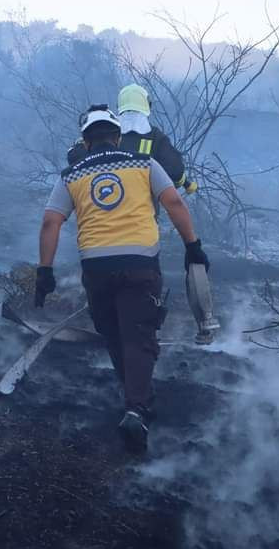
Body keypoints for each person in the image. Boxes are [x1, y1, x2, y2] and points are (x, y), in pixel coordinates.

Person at [36, 104, 208, 452]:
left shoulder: (71, 175)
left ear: (85, 143)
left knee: (113, 332)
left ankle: (135, 398)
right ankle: (137, 407)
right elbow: (174, 202)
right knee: (139, 335)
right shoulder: (145, 164)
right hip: (140, 264)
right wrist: (193, 246)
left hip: (96, 268)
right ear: (117, 137)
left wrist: (45, 270)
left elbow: (51, 222)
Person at [66, 84, 195, 194]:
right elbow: (176, 171)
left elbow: (75, 158)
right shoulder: (155, 137)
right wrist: (181, 181)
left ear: (119, 106)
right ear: (148, 106)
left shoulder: (107, 133)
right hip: (142, 214)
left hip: (103, 208)